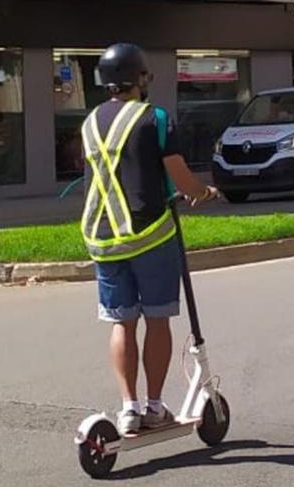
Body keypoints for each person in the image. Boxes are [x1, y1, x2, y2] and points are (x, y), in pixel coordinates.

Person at [80, 43, 219, 435]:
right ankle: (155, 406)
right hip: (150, 234)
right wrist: (203, 193)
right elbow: (181, 178)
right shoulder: (155, 118)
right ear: (141, 78)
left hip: (103, 236)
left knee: (121, 323)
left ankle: (128, 407)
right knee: (157, 319)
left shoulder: (90, 121)